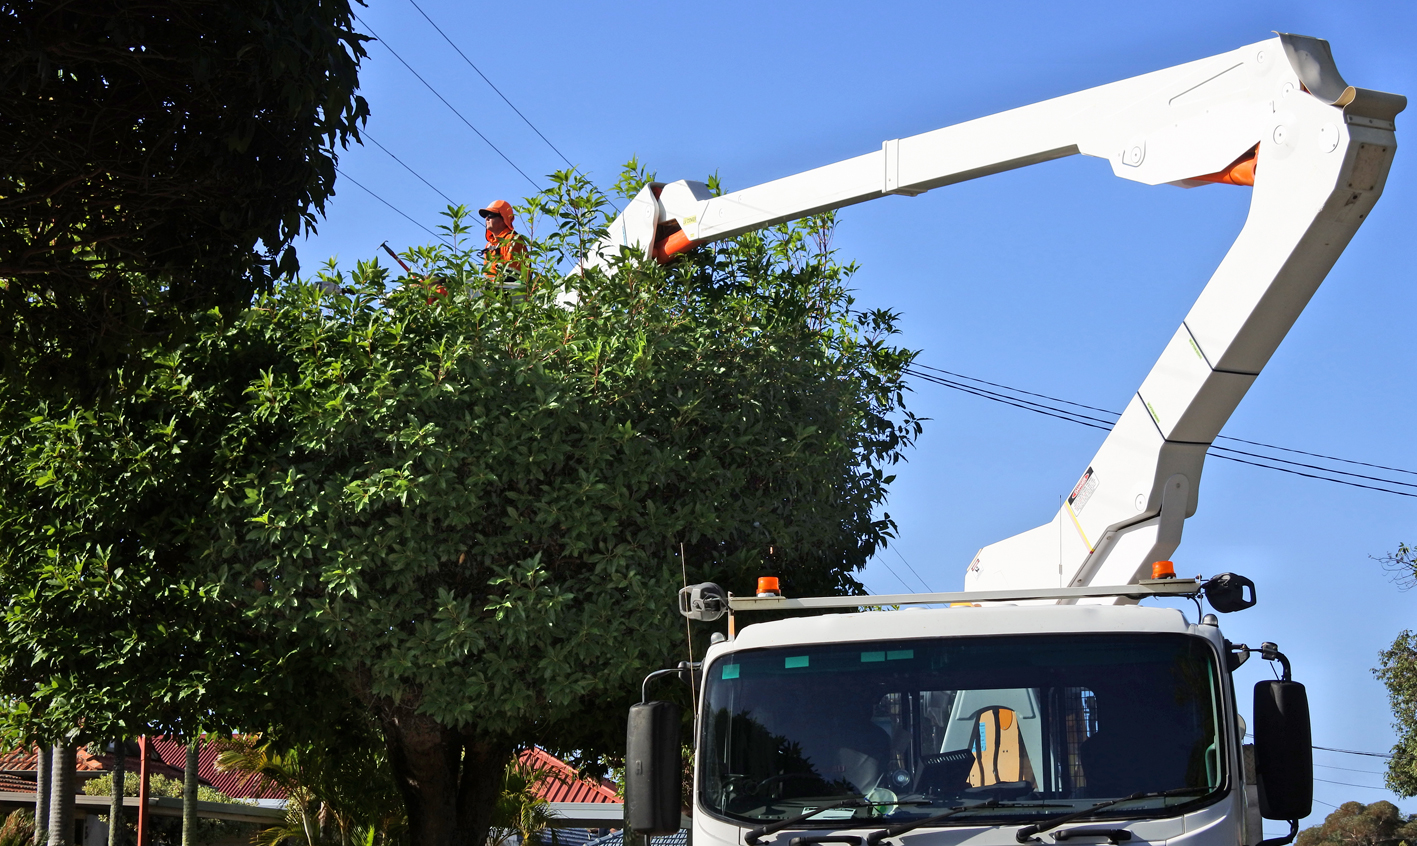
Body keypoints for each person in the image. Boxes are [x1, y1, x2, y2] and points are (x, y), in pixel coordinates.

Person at [479, 199, 527, 284]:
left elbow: (512, 276)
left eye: (490, 215)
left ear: (503, 218)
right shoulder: (489, 245)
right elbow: (487, 276)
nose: (487, 218)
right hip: (492, 293)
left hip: (511, 293)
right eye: (485, 215)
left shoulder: (513, 240)